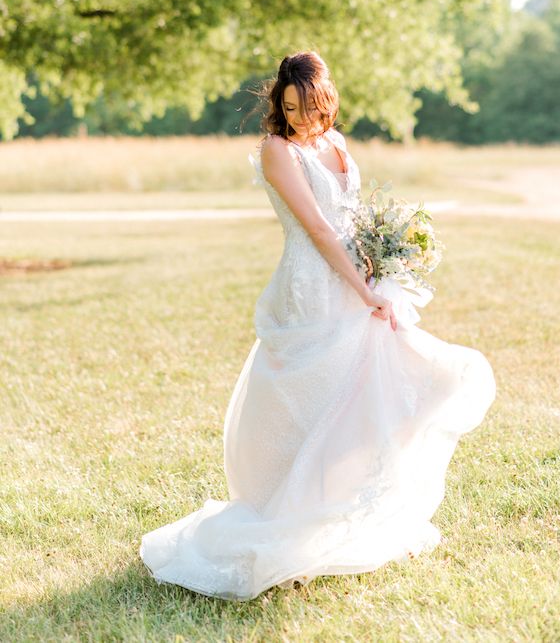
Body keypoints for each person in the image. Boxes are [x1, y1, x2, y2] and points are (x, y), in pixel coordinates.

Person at [139, 50, 496, 600]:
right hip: (311, 290)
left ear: (324, 100)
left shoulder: (336, 144)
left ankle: (353, 509)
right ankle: (291, 518)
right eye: (288, 107)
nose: (300, 118)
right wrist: (365, 290)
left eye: (307, 107)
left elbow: (352, 220)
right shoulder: (276, 151)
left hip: (355, 274)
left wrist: (387, 259)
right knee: (312, 400)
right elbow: (321, 231)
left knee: (374, 388)